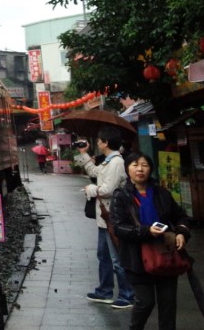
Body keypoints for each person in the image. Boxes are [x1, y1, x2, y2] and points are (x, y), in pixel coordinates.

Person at [110, 152, 193, 330]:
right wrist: (146, 231)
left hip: (165, 254)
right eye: (135, 165)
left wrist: (181, 233)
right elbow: (118, 227)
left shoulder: (162, 193)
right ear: (128, 169)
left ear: (150, 169)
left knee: (168, 304)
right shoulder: (121, 196)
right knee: (145, 302)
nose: (140, 169)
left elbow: (181, 217)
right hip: (136, 257)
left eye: (144, 165)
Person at [74, 126, 135, 308]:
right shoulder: (108, 161)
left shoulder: (116, 162)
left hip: (113, 217)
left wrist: (90, 190)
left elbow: (108, 190)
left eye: (100, 141)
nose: (98, 143)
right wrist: (83, 154)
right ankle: (104, 291)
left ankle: (127, 295)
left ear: (106, 142)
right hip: (104, 218)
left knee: (116, 258)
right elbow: (94, 173)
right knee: (104, 256)